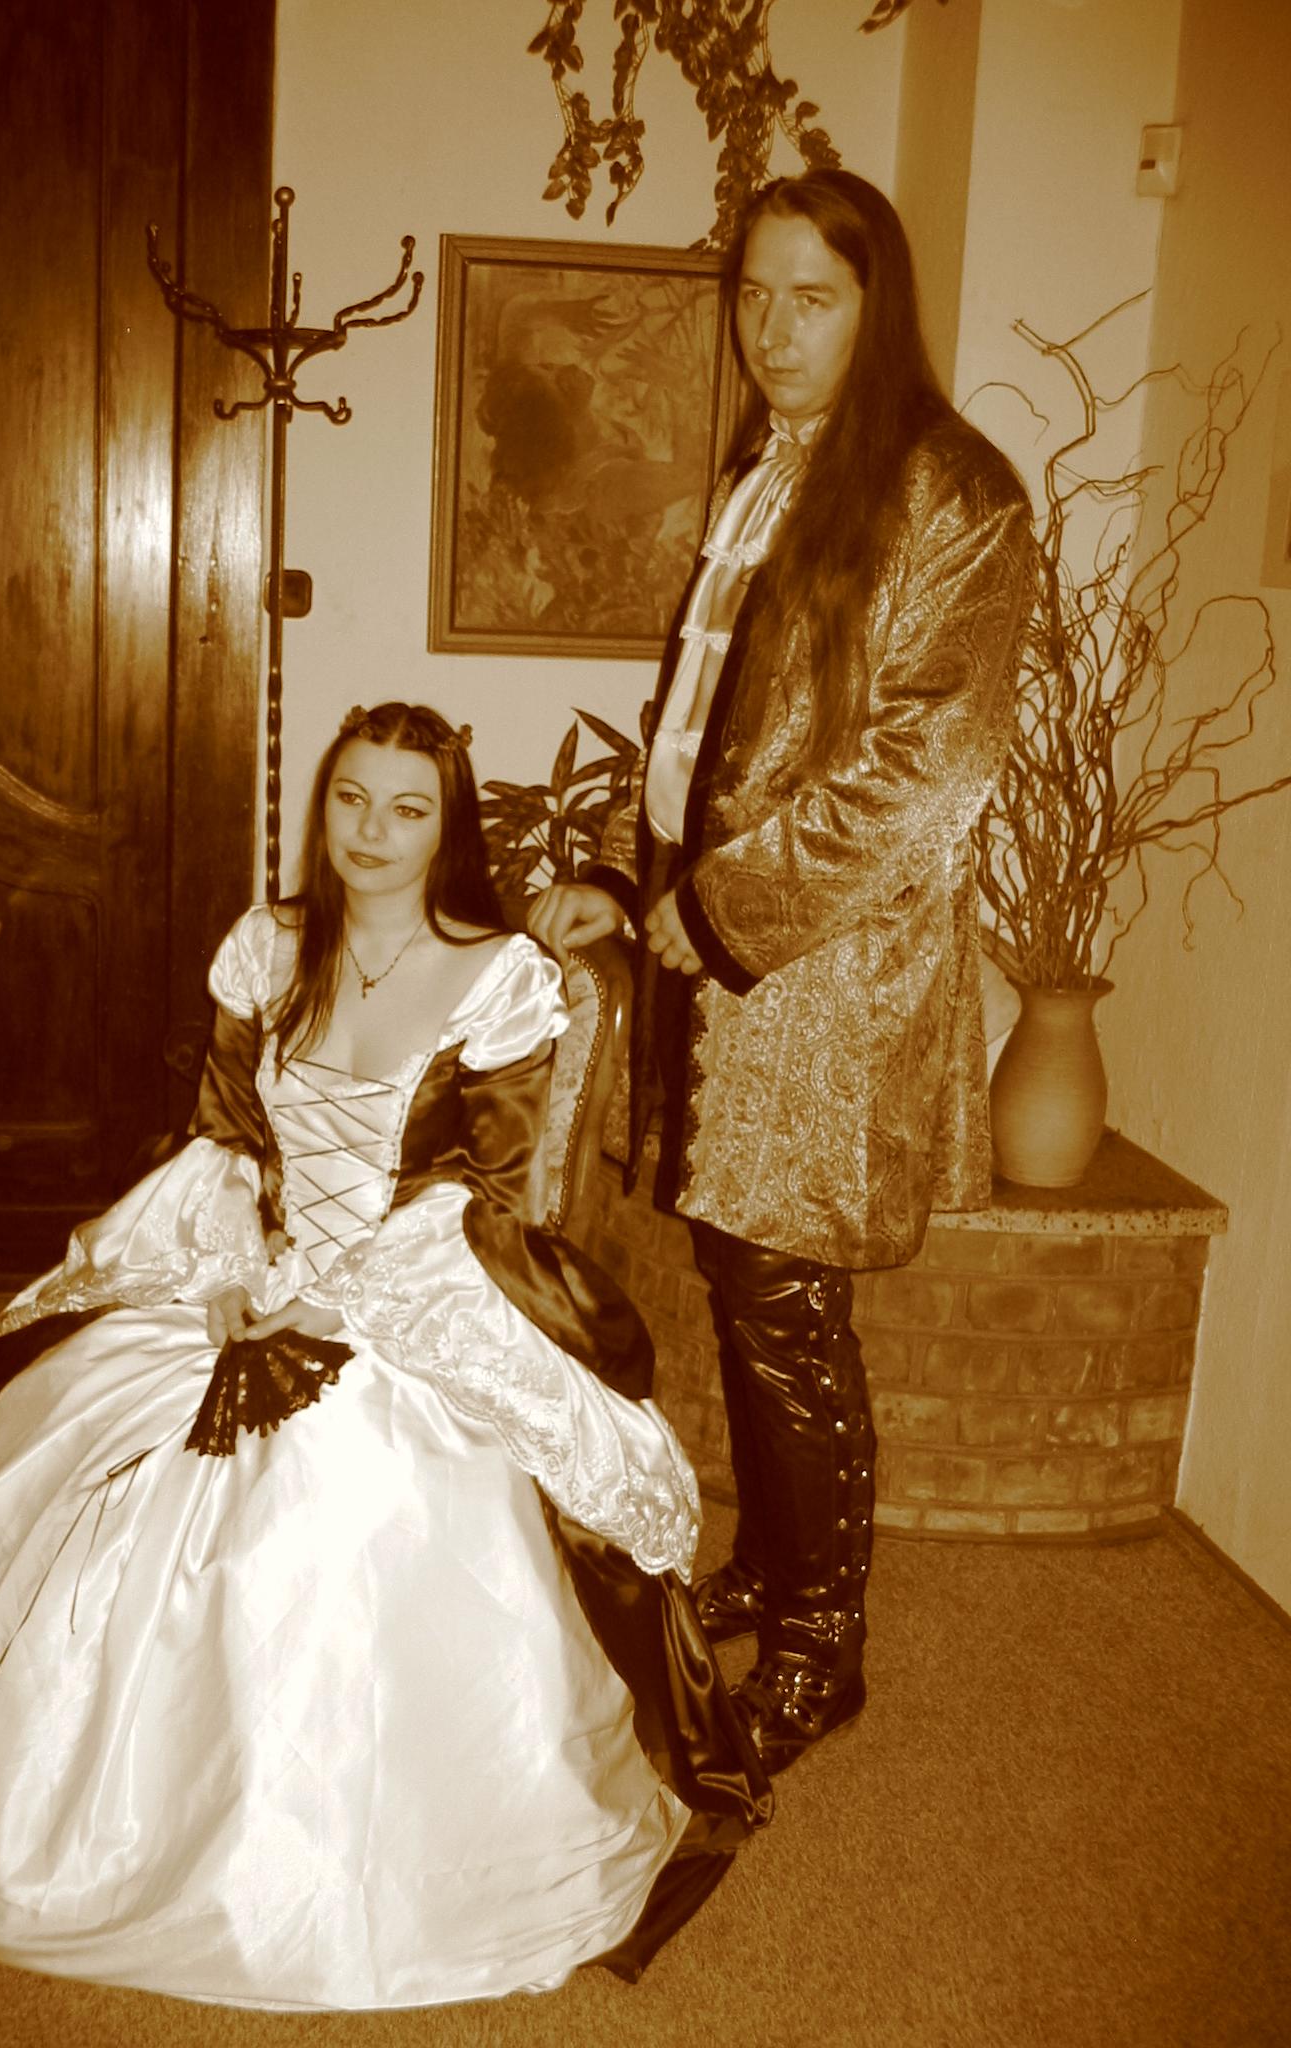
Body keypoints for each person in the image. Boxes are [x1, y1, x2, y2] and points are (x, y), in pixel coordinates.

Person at [0, 701, 769, 2012]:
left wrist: (338, 1314)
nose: (371, 831)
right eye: (351, 798)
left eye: (408, 808)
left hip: (414, 1289)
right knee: (69, 1451)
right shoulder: (268, 947)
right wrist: (230, 1276)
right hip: (256, 1267)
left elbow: (480, 1197)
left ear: (448, 829)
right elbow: (229, 1136)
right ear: (322, 802)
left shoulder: (497, 975)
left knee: (364, 1500)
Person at [528, 170, 1033, 1777]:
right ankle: (778, 1564)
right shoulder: (773, 470)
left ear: (878, 307)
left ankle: (823, 1647)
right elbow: (715, 728)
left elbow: (924, 770)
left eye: (811, 297)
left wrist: (729, 908)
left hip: (822, 980)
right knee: (751, 1289)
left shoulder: (952, 492)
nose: (772, 328)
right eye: (753, 293)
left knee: (790, 1311)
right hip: (724, 956)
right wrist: (637, 885)